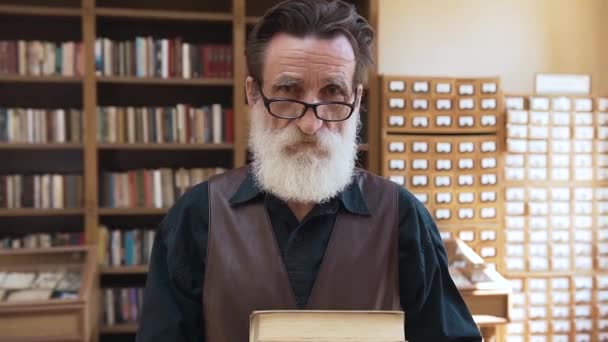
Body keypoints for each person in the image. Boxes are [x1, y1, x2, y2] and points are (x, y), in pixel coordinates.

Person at [135, 0, 481, 341]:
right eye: (288, 91)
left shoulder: (403, 217)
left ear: (356, 101)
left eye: (333, 93)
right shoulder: (196, 217)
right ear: (253, 94)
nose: (311, 123)